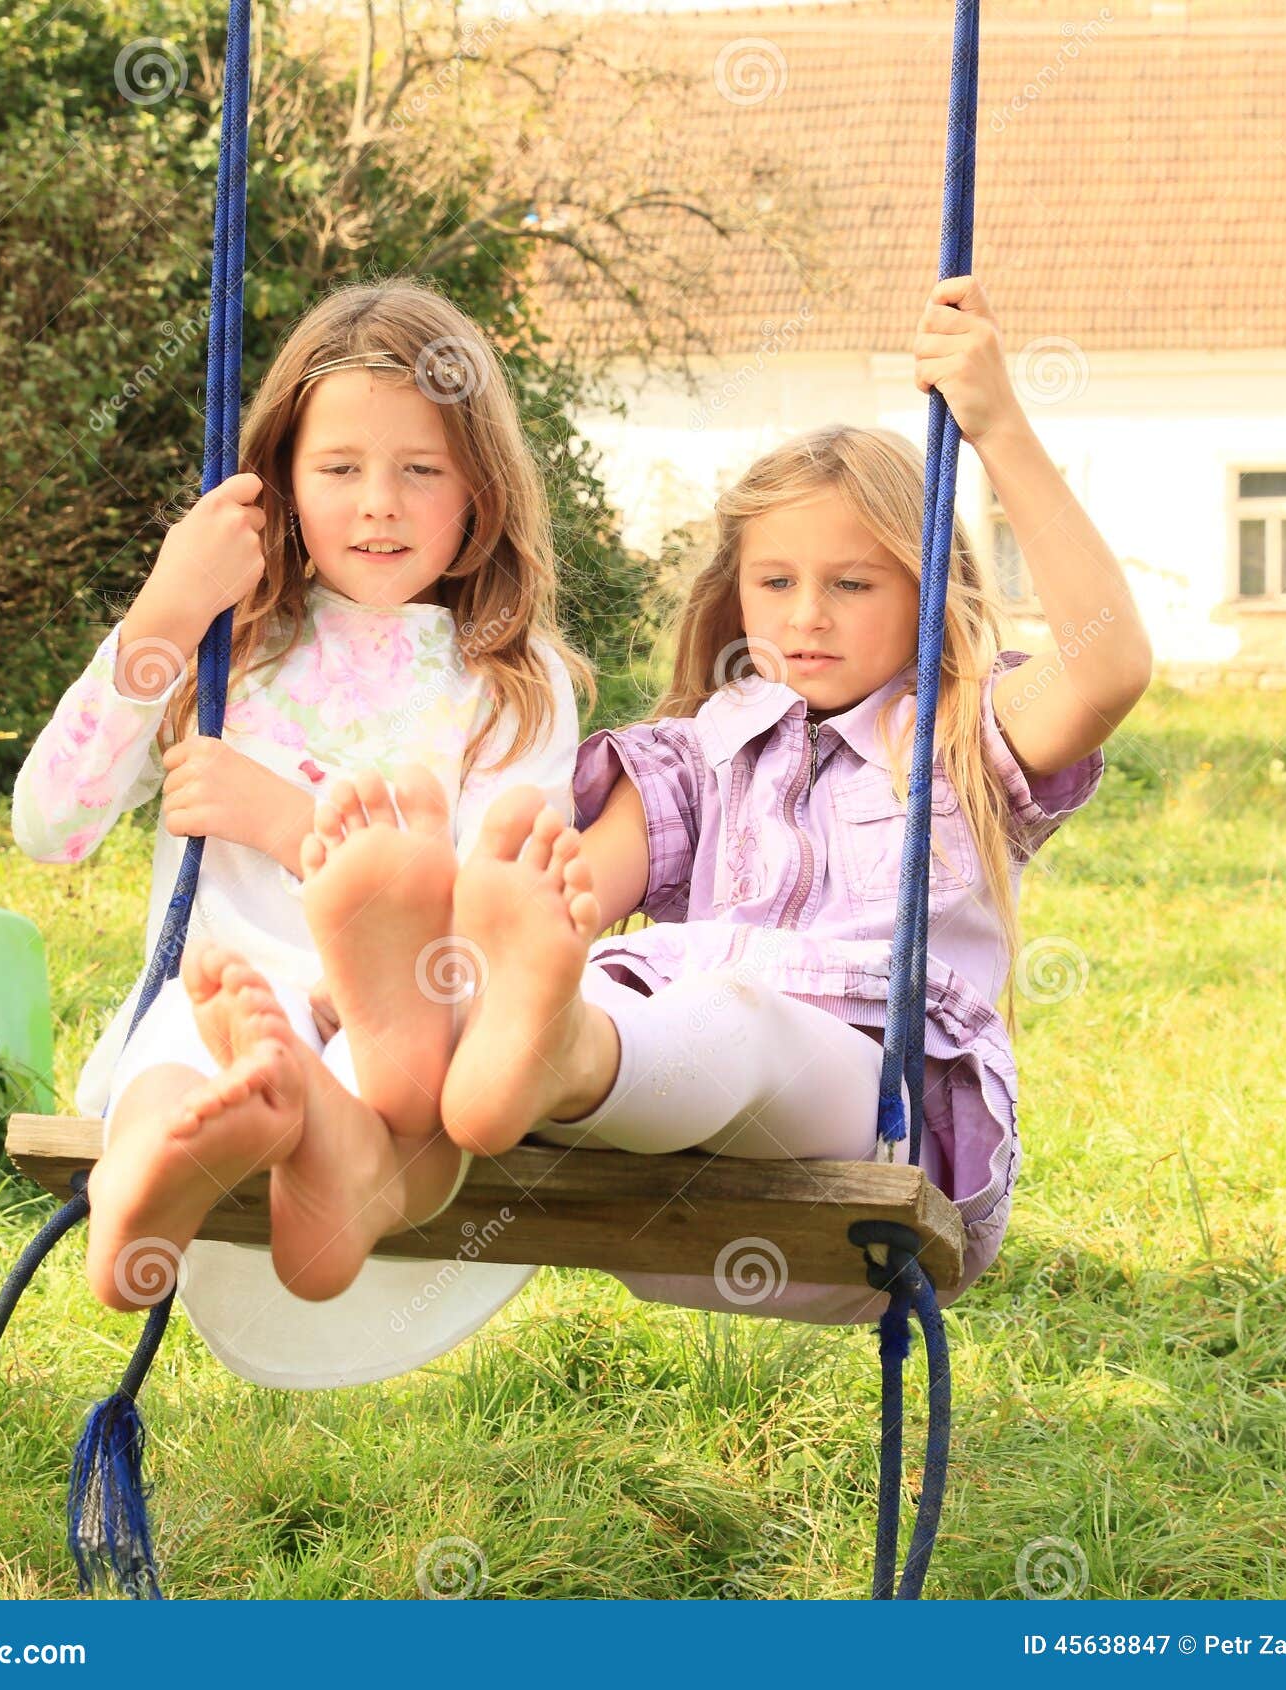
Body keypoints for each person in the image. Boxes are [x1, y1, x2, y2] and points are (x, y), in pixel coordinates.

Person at [429, 275, 1153, 1322]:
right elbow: (572, 897)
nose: (807, 615)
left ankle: (555, 1050)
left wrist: (996, 426)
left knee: (734, 1021)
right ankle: (469, 1038)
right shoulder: (695, 757)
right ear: (735, 590)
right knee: (600, 981)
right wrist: (504, 926)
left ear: (924, 582)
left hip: (867, 1179)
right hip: (661, 1206)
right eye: (775, 584)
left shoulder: (953, 737)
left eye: (852, 584)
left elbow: (1109, 665)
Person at [11, 279, 588, 1387]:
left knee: (369, 1084)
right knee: (179, 1055)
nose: (379, 503)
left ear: (482, 490)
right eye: (338, 469)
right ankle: (144, 1197)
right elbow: (52, 823)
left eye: (420, 469)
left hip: (401, 1043)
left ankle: (315, 1146)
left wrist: (284, 820)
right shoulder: (232, 648)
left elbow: (496, 920)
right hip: (224, 1002)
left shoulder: (515, 687)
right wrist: (167, 613)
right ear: (278, 486)